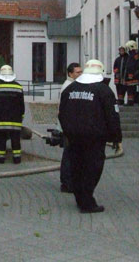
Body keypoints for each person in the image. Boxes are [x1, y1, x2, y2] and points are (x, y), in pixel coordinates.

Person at [59, 59, 122, 213]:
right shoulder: (104, 91)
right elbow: (112, 116)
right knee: (92, 169)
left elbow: (62, 113)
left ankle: (80, 198)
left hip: (73, 137)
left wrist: (67, 132)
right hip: (95, 138)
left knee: (76, 167)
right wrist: (116, 138)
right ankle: (87, 202)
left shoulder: (70, 89)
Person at [0, 65, 25, 164]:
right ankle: (17, 159)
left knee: (0, 139)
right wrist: (21, 116)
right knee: (15, 140)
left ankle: (0, 159)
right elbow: (21, 104)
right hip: (15, 120)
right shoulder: (18, 87)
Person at [59, 62, 82, 193]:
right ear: (70, 74)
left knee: (70, 154)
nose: (80, 74)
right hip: (68, 127)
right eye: (77, 72)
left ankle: (69, 181)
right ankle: (67, 183)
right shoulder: (68, 87)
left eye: (81, 72)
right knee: (68, 155)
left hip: (70, 126)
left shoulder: (72, 86)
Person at [124, 40, 139, 106]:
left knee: (130, 89)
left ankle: (130, 102)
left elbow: (131, 66)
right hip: (134, 75)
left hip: (131, 76)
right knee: (132, 89)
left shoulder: (132, 56)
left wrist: (130, 75)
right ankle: (133, 101)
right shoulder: (135, 55)